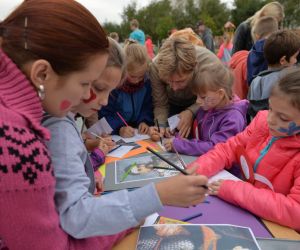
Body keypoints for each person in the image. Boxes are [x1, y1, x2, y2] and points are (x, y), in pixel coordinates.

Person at [42, 36, 209, 247]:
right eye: (96, 87)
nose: (103, 100)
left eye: (109, 91)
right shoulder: (58, 127)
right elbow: (76, 218)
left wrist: (88, 170)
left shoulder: (61, 120)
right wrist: (160, 194)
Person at [0, 0, 110, 249]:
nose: (86, 96)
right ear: (42, 74)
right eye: (84, 83)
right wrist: (129, 216)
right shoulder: (15, 144)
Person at [188, 67, 300, 231]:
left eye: (283, 117)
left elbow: (294, 212)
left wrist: (234, 190)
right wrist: (196, 170)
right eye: (270, 109)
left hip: (275, 230)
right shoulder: (261, 123)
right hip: (245, 211)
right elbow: (228, 149)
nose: (270, 119)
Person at [164, 62, 248, 156]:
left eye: (202, 97)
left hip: (226, 169)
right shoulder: (209, 106)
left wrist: (180, 145)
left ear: (220, 94)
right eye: (197, 96)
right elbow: (198, 137)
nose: (197, 101)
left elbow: (215, 148)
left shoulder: (233, 119)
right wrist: (176, 135)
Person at [149, 37, 219, 139]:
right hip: (171, 104)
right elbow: (160, 103)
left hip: (203, 105)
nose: (174, 88)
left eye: (180, 81)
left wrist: (191, 112)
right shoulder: (155, 67)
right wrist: (160, 126)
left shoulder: (209, 64)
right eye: (168, 81)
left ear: (194, 67)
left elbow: (213, 97)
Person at [99, 40, 154, 137]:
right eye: (133, 76)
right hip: (117, 133)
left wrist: (144, 121)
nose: (137, 81)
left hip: (138, 132)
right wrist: (119, 129)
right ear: (124, 70)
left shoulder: (146, 84)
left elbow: (147, 107)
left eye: (141, 76)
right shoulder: (115, 87)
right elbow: (104, 114)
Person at [248, 29, 300, 118]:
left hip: (259, 127)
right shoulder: (291, 79)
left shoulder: (255, 81)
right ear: (283, 60)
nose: (296, 61)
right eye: (295, 57)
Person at [247, 16, 279, 84]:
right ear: (275, 32)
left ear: (257, 35)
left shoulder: (251, 52)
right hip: (271, 88)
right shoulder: (276, 49)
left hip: (254, 89)